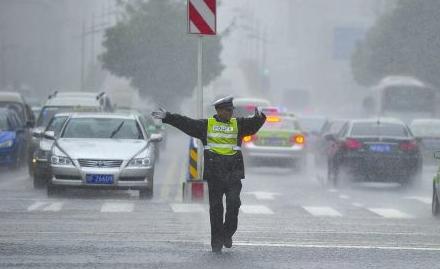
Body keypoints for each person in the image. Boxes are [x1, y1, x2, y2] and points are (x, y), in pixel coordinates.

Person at [152, 96, 266, 252]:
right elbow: (187, 123)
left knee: (234, 205)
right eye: (227, 110)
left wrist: (260, 117)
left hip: (233, 174)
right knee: (216, 209)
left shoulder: (238, 124)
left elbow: (253, 125)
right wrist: (168, 117)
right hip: (215, 174)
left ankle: (227, 233)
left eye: (231, 110)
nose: (230, 113)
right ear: (218, 111)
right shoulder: (207, 125)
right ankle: (216, 242)